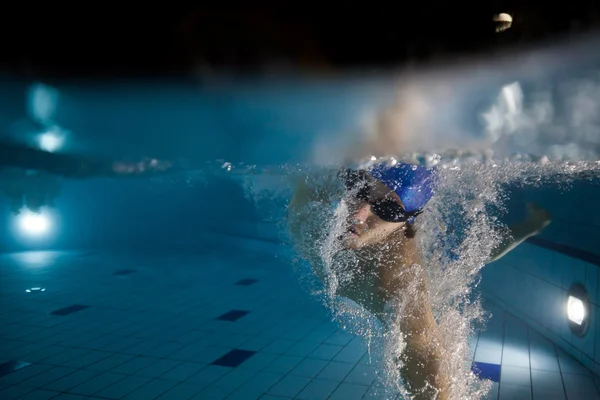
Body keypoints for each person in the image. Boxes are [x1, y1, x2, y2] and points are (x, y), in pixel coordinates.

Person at [287, 161, 551, 399]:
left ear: (405, 222)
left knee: (472, 255)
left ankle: (533, 224)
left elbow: (421, 347)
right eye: (357, 186)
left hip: (396, 256)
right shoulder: (315, 199)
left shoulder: (396, 279)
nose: (357, 212)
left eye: (386, 208)